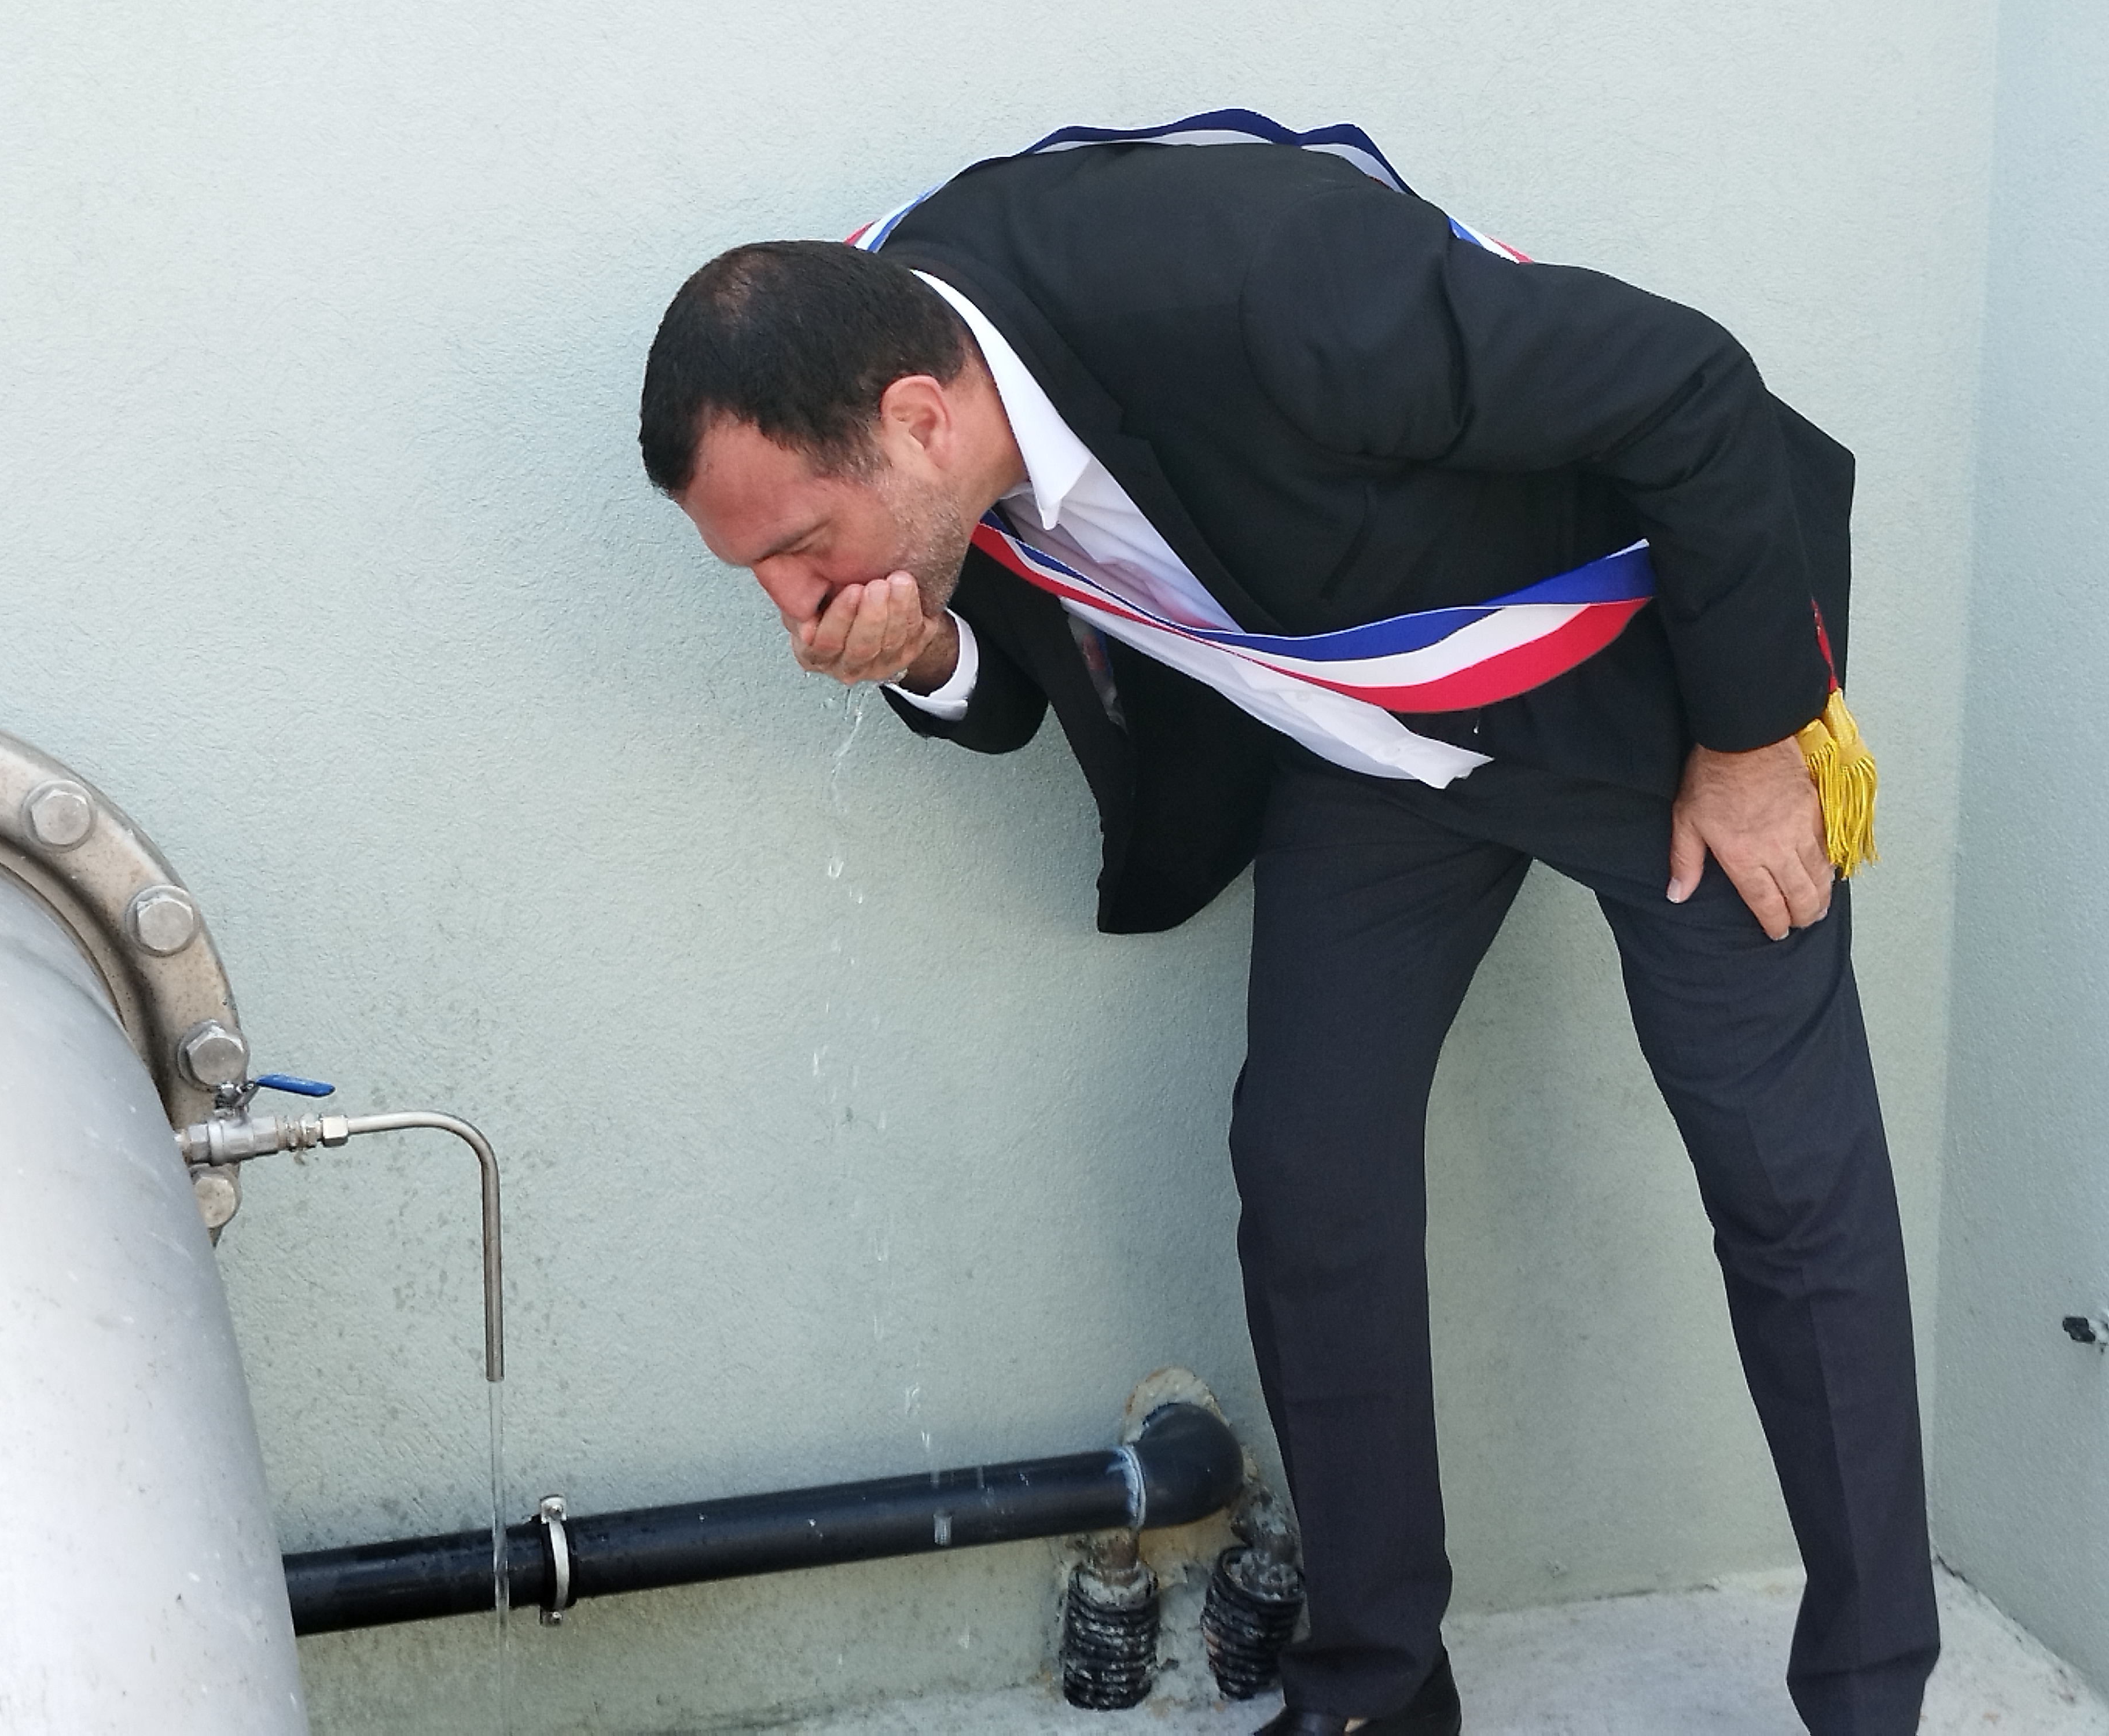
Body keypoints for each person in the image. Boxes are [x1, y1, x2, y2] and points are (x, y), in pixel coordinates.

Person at [637, 115, 1935, 1736]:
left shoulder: (1264, 277)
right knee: (1312, 1172)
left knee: (1788, 1190)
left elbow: (1690, 385)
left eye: (797, 549)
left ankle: (1871, 1697)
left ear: (917, 418)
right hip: (1372, 758)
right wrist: (916, 652)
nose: (789, 604)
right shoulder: (918, 374)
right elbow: (1020, 672)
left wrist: (1752, 745)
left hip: (1648, 715)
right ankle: (1380, 1685)